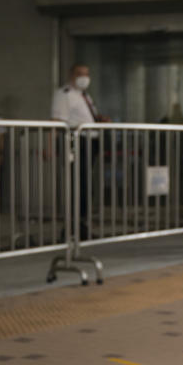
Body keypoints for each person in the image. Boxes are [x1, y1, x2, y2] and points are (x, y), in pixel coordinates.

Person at [51, 64, 108, 238]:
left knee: (86, 186)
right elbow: (55, 121)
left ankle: (81, 226)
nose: (84, 77)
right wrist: (50, 147)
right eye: (80, 74)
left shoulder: (85, 96)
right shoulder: (64, 94)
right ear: (71, 75)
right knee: (76, 186)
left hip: (90, 143)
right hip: (76, 143)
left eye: (87, 74)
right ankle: (70, 228)